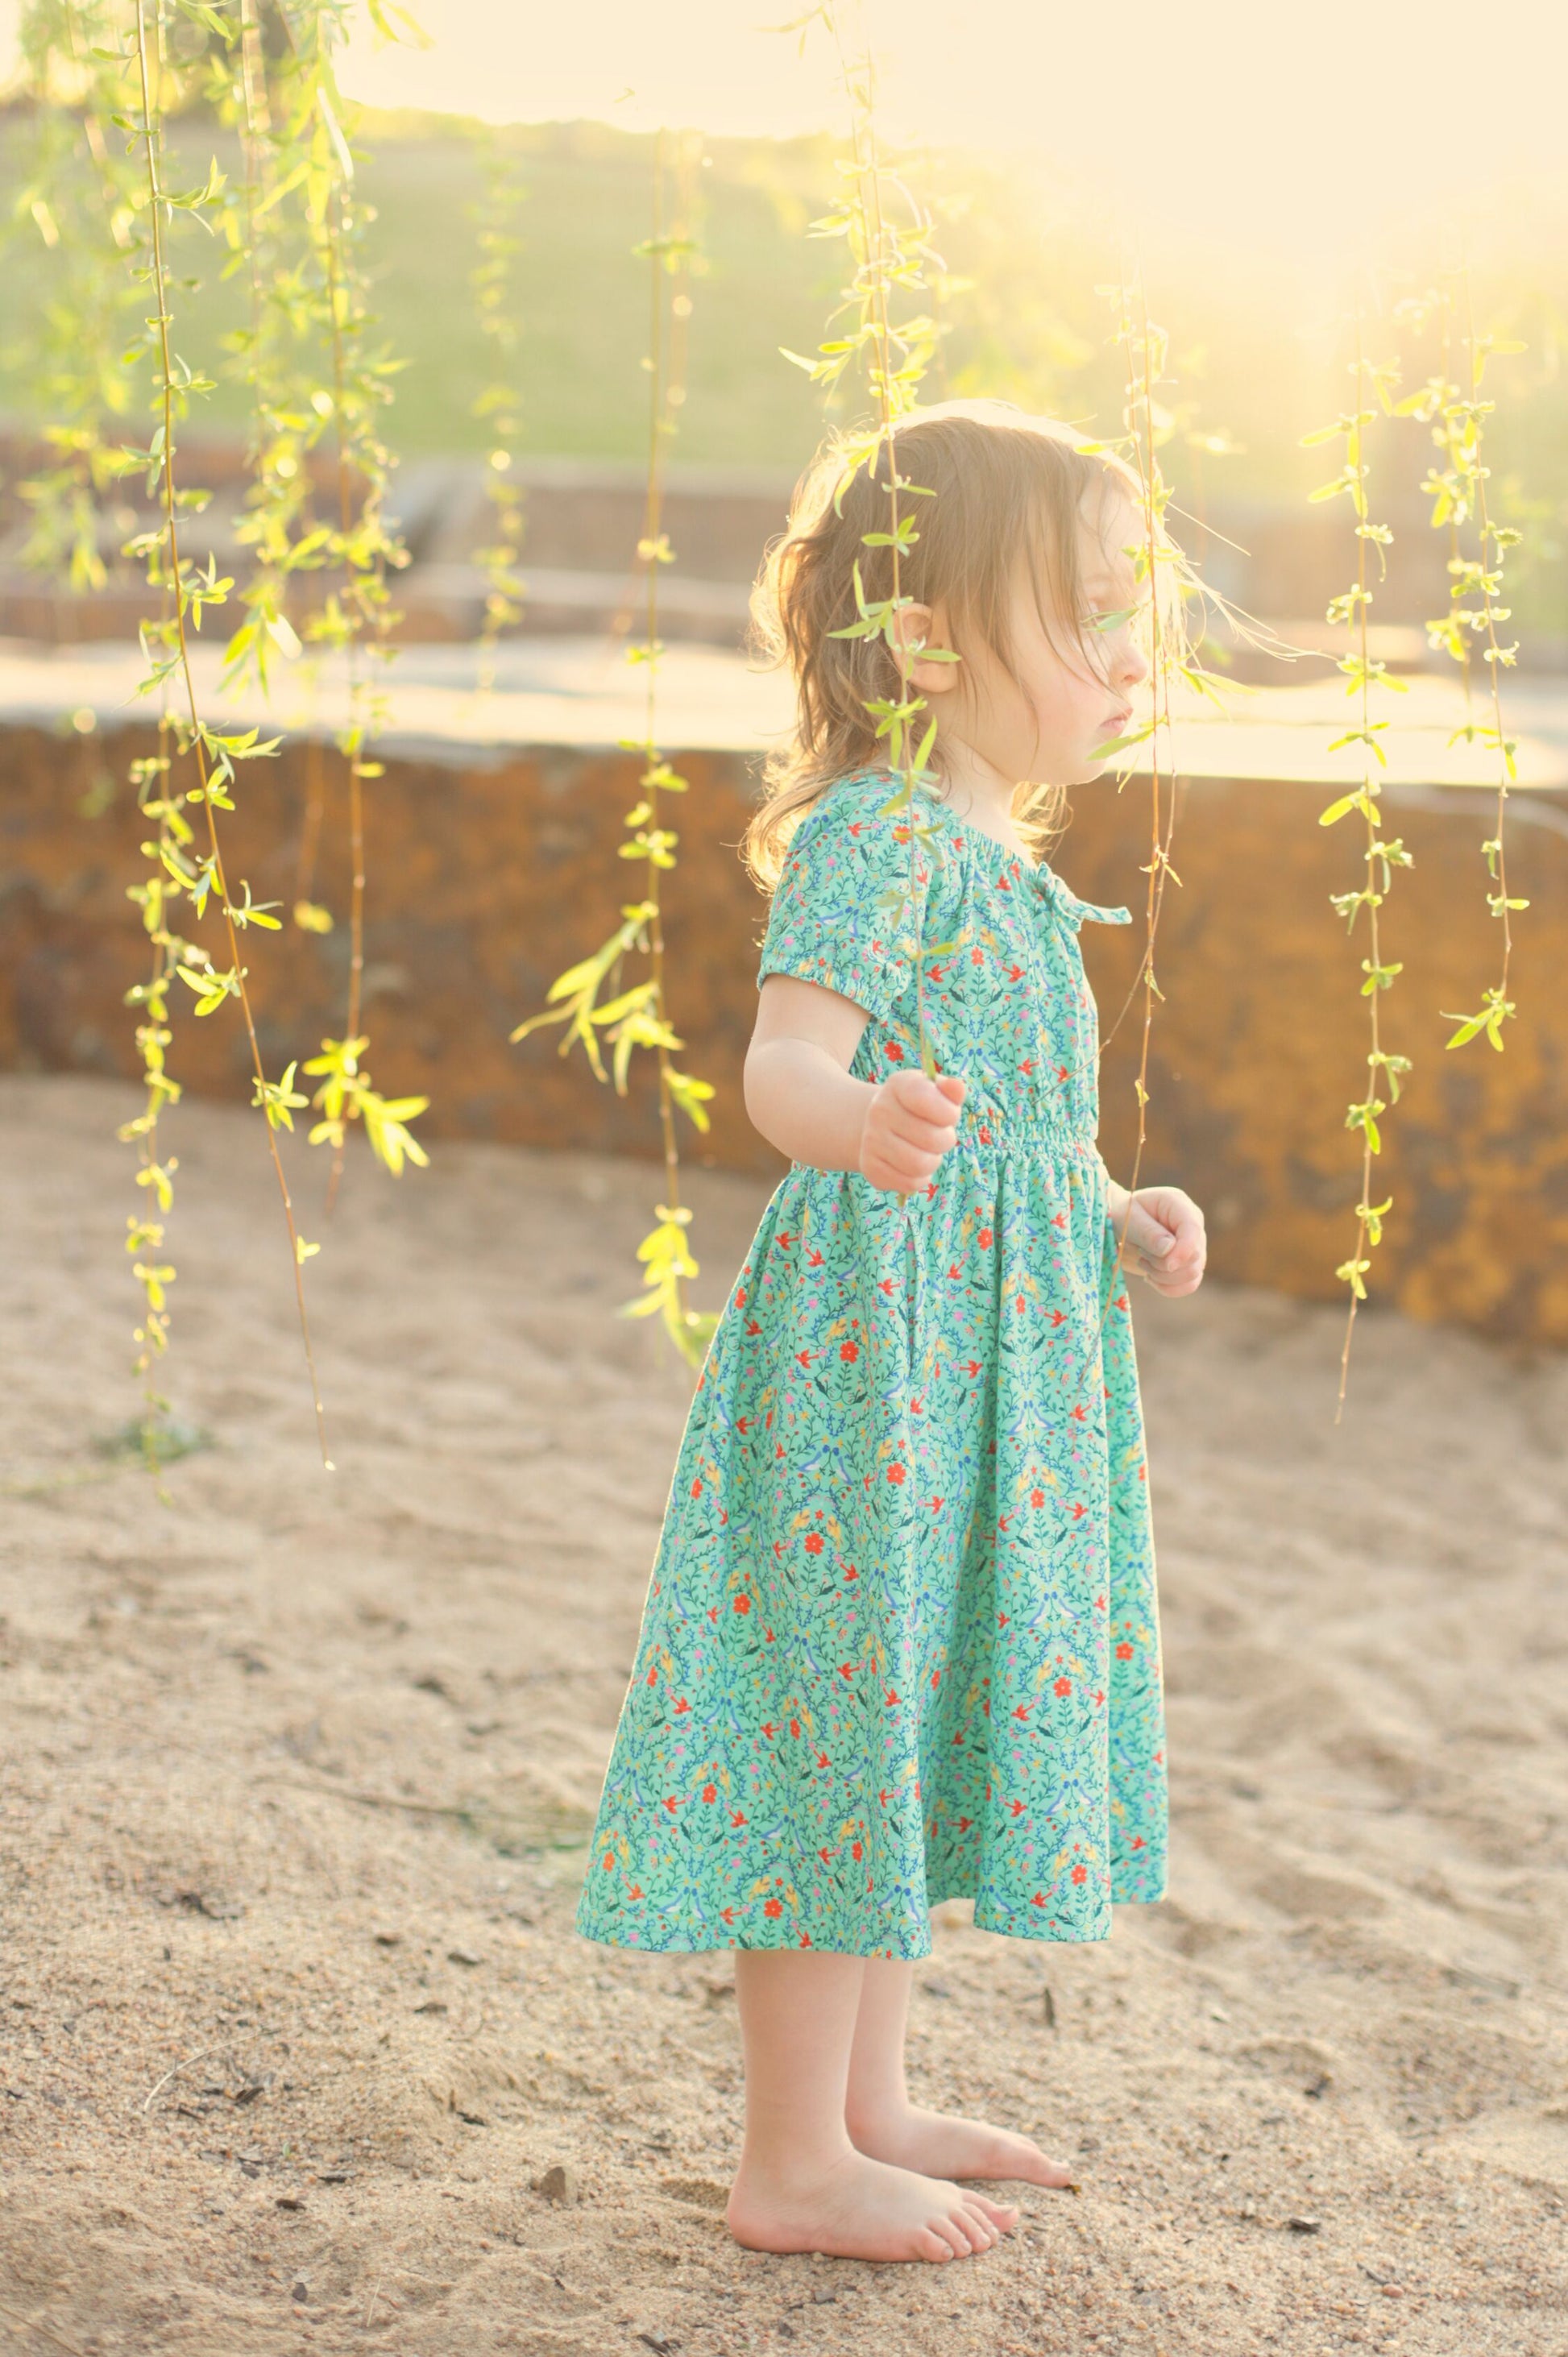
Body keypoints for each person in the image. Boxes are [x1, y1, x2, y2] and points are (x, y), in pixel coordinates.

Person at [575, 399, 1208, 2264]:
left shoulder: (1002, 852)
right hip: (877, 1361)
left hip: (984, 1366)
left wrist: (1112, 1208)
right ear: (927, 637)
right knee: (840, 1708)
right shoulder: (881, 833)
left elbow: (1020, 1128)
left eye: (1131, 604)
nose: (1125, 648)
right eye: (1082, 605)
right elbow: (783, 1064)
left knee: (912, 1696)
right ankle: (791, 2153)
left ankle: (868, 2099)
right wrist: (858, 1120)